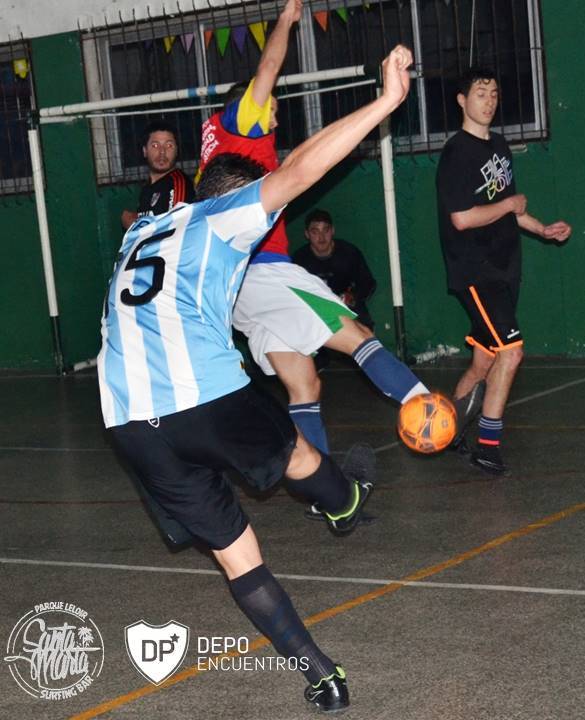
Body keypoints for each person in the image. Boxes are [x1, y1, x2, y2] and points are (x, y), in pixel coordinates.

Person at [98, 45, 414, 712]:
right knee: (297, 455)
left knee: (238, 558)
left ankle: (322, 676)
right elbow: (300, 169)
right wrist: (385, 102)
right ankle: (344, 501)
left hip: (128, 423)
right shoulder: (221, 217)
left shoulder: (140, 234)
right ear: (243, 202)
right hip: (203, 396)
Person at [198, 0, 436, 464]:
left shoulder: (213, 144)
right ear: (246, 106)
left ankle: (321, 486)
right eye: (271, 109)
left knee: (304, 384)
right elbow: (268, 67)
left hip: (233, 290)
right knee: (356, 334)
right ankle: (424, 404)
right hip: (265, 271)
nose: (275, 118)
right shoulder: (244, 128)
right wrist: (287, 20)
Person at [436, 68, 571, 475]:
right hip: (476, 271)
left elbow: (509, 206)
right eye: (481, 93)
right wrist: (510, 206)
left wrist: (541, 229)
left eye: (494, 93)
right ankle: (488, 446)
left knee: (484, 361)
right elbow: (462, 218)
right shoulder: (456, 153)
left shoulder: (499, 145)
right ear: (462, 101)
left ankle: (447, 432)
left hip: (505, 266)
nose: (489, 100)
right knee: (511, 352)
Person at [293, 208, 377, 329]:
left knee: (363, 327)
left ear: (332, 231)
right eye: (315, 232)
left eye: (326, 230)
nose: (321, 237)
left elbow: (368, 283)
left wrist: (352, 297)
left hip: (348, 310)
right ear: (307, 234)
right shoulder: (299, 259)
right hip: (316, 315)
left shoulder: (349, 253)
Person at [121, 121, 194, 229]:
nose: (162, 152)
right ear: (145, 151)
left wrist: (133, 225)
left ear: (176, 151)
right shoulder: (147, 188)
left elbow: (174, 228)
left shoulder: (178, 183)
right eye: (155, 145)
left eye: (169, 145)